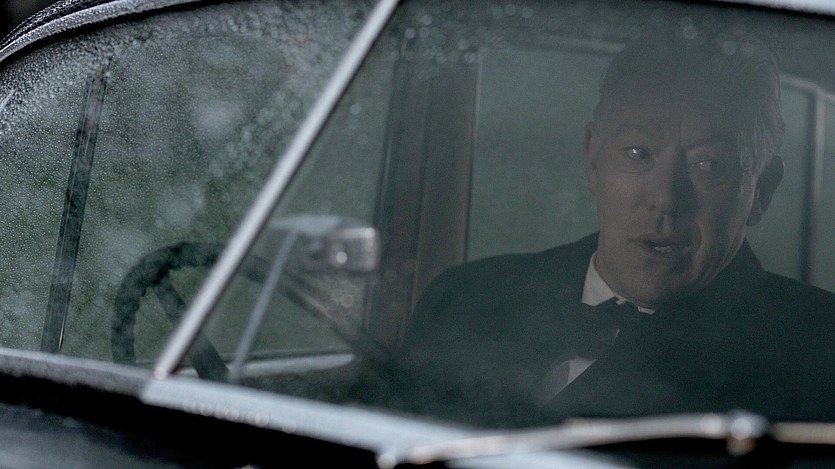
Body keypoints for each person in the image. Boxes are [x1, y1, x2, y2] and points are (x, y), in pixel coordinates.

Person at [385, 25, 835, 428]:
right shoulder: (463, 297)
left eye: (709, 164)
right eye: (638, 154)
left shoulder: (818, 354)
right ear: (592, 158)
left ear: (762, 190)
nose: (666, 199)